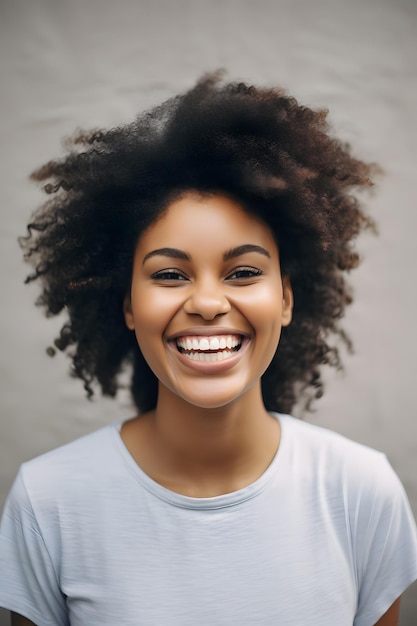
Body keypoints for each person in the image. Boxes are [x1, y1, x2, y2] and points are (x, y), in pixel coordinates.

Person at [0, 73, 416, 626]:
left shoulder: (361, 492)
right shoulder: (47, 501)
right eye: (170, 274)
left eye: (243, 271)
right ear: (127, 305)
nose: (206, 302)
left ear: (287, 298)